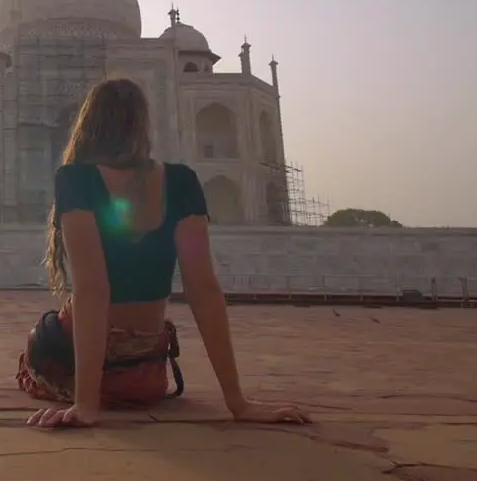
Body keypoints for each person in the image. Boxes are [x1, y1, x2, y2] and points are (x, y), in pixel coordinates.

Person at [17, 78, 310, 429]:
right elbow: (203, 289)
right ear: (143, 126)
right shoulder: (182, 181)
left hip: (83, 368)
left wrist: (86, 403)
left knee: (43, 334)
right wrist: (237, 402)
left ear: (87, 125)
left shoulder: (75, 179)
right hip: (144, 375)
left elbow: (93, 290)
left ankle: (85, 390)